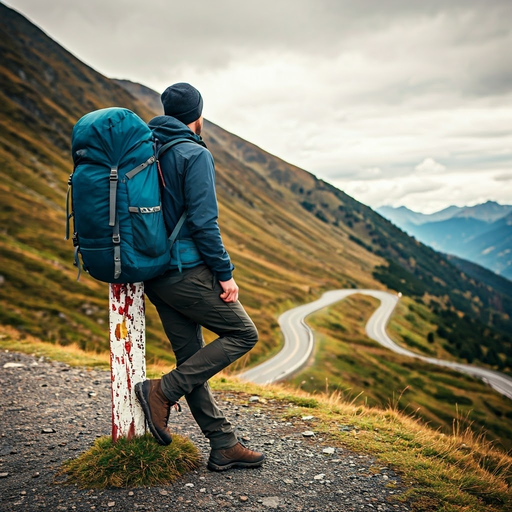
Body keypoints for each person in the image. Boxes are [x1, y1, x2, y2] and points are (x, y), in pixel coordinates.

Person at [134, 83, 264, 471]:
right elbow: (205, 222)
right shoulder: (193, 153)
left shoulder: (147, 150)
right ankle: (161, 392)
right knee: (244, 334)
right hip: (187, 272)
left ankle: (223, 443)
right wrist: (225, 275)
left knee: (192, 358)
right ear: (198, 115)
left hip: (155, 274)